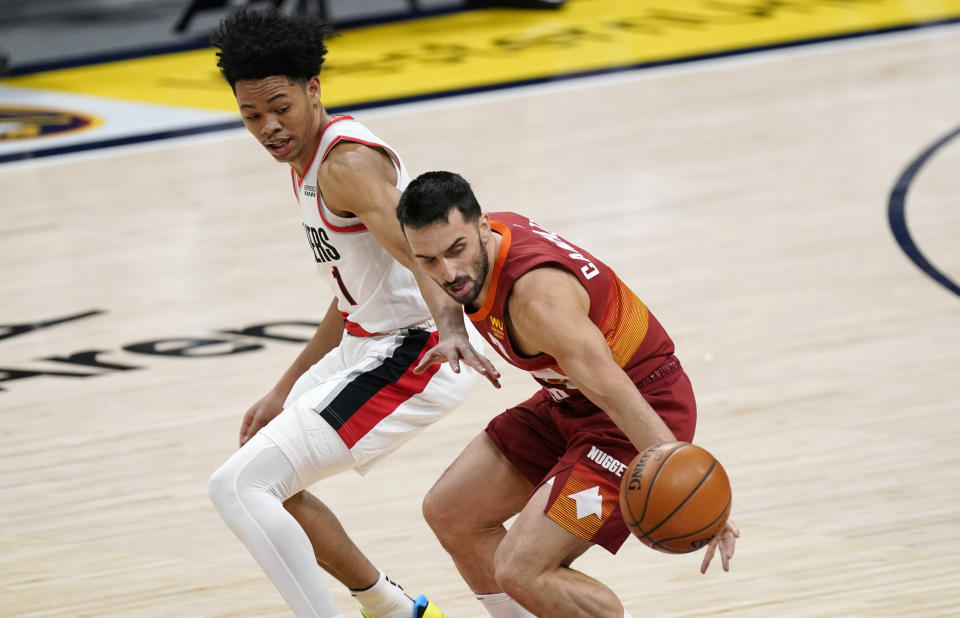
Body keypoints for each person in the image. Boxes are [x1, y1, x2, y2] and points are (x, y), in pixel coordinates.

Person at [206, 11, 500, 618]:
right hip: (373, 343)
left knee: (238, 487)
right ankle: (396, 610)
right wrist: (283, 388)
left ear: (314, 89)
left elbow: (425, 258)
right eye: (251, 116)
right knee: (264, 476)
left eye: (280, 107)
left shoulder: (346, 165)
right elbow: (354, 297)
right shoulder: (305, 161)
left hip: (418, 350)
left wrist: (451, 330)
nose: (268, 127)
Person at [396, 171, 740, 618]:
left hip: (635, 412)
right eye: (430, 260)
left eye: (456, 252)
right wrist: (451, 325)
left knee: (523, 569)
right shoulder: (482, 240)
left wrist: (693, 483)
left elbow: (615, 391)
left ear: (481, 228)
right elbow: (434, 271)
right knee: (452, 512)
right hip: (570, 399)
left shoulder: (537, 302)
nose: (449, 273)